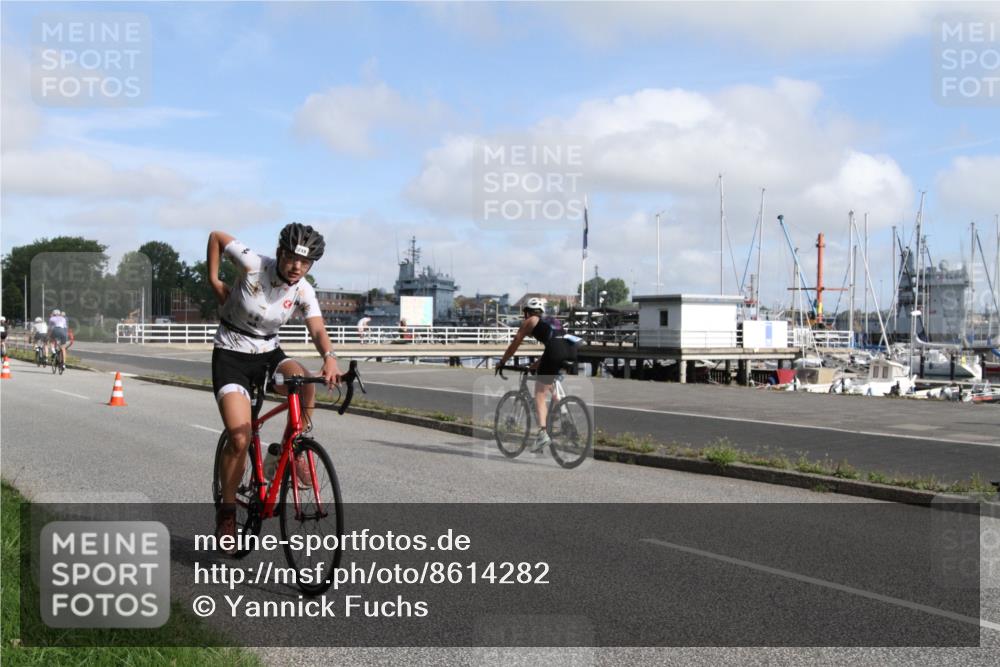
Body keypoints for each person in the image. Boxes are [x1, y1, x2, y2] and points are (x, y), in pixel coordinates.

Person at [208, 224, 341, 553]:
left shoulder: (302, 290)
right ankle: (226, 513)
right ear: (280, 253)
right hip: (232, 355)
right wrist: (213, 279)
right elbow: (217, 237)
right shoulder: (254, 264)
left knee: (304, 381)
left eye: (305, 263)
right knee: (239, 437)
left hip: (268, 354)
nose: (297, 267)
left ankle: (290, 449)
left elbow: (317, 328)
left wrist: (330, 357)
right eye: (293, 258)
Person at [496, 298, 578, 452]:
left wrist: (502, 361)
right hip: (571, 349)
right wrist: (535, 365)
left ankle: (542, 434)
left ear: (527, 312)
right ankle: (564, 418)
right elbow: (554, 346)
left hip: (555, 351)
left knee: (539, 393)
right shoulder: (552, 320)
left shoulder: (530, 321)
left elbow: (515, 343)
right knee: (549, 380)